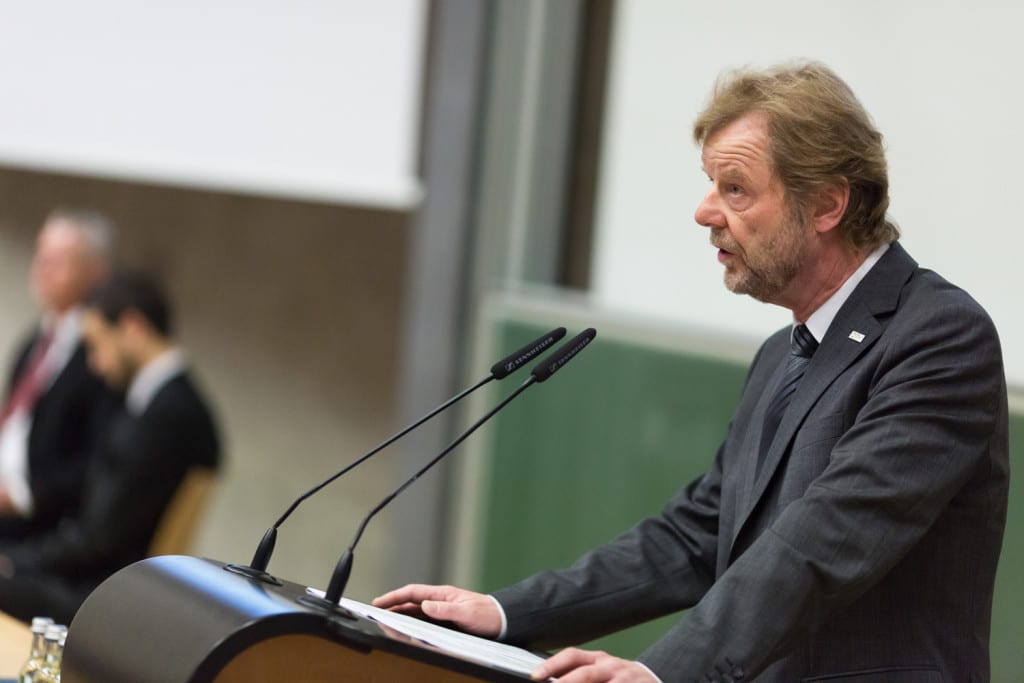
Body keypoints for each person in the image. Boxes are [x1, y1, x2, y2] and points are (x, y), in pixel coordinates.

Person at [374, 62, 1009, 681]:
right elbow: (694, 539)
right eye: (711, 185)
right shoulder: (781, 355)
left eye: (734, 188)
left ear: (826, 205)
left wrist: (663, 671)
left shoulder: (939, 337)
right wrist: (507, 612)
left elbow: (828, 539)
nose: (705, 212)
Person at [0, 272, 221, 624]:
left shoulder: (171, 415)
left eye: (96, 345)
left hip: (101, 595)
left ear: (133, 328)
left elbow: (100, 537)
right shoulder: (163, 401)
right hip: (99, 577)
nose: (94, 363)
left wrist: (18, 561)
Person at [0, 209, 116, 540]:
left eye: (60, 259)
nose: (42, 267)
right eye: (41, 253)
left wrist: (22, 495)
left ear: (96, 272)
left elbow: (96, 463)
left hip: (40, 524)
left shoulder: (100, 355)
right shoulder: (35, 340)